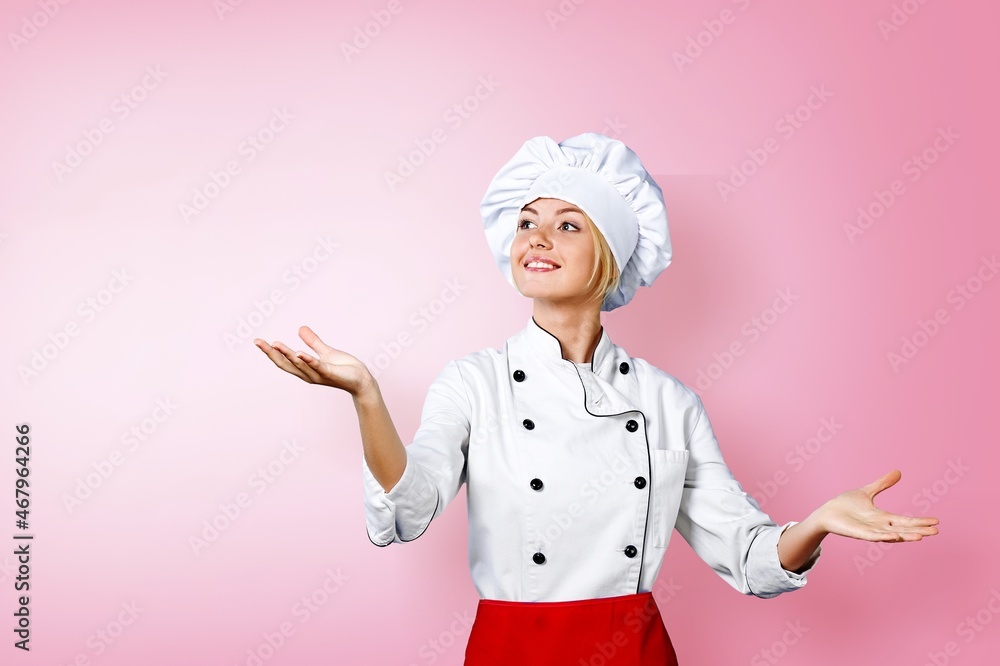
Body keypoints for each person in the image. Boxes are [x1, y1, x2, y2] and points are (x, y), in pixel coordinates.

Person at [254, 133, 940, 665]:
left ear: (612, 252)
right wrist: (367, 398)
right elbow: (407, 507)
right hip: (511, 650)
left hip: (631, 652)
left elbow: (749, 555)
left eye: (568, 224)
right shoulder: (474, 383)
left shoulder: (669, 402)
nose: (537, 238)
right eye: (526, 223)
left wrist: (815, 524)